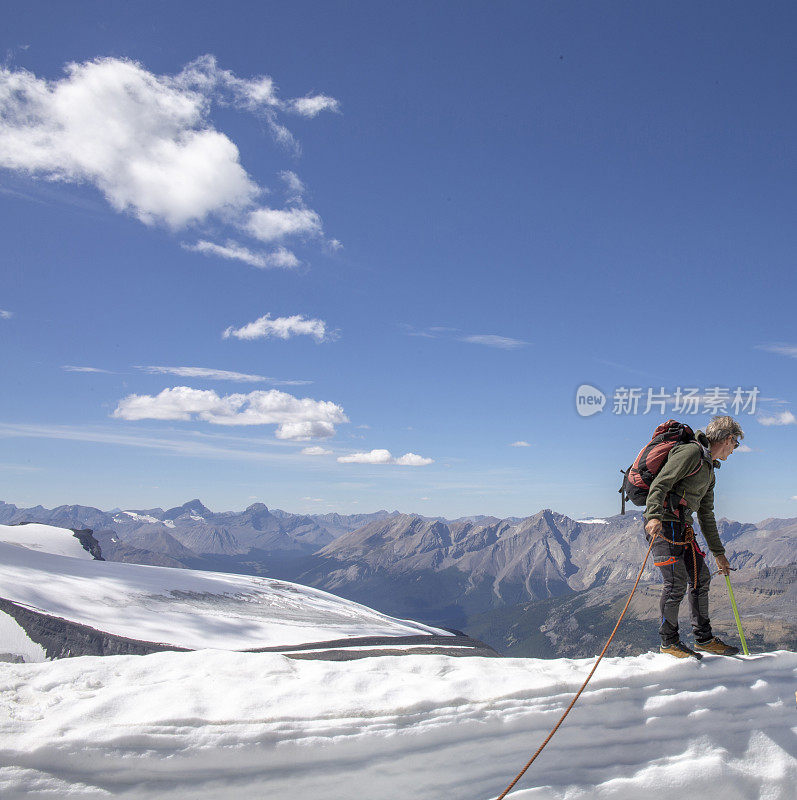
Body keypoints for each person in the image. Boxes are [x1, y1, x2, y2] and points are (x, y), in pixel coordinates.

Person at [644, 415, 743, 658]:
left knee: (701, 577)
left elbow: (706, 515)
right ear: (728, 439)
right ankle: (669, 642)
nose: (734, 450)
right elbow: (661, 483)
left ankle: (703, 639)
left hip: (681, 527)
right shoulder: (690, 453)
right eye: (736, 444)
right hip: (663, 525)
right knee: (676, 582)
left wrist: (719, 554)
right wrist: (653, 516)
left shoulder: (709, 471)